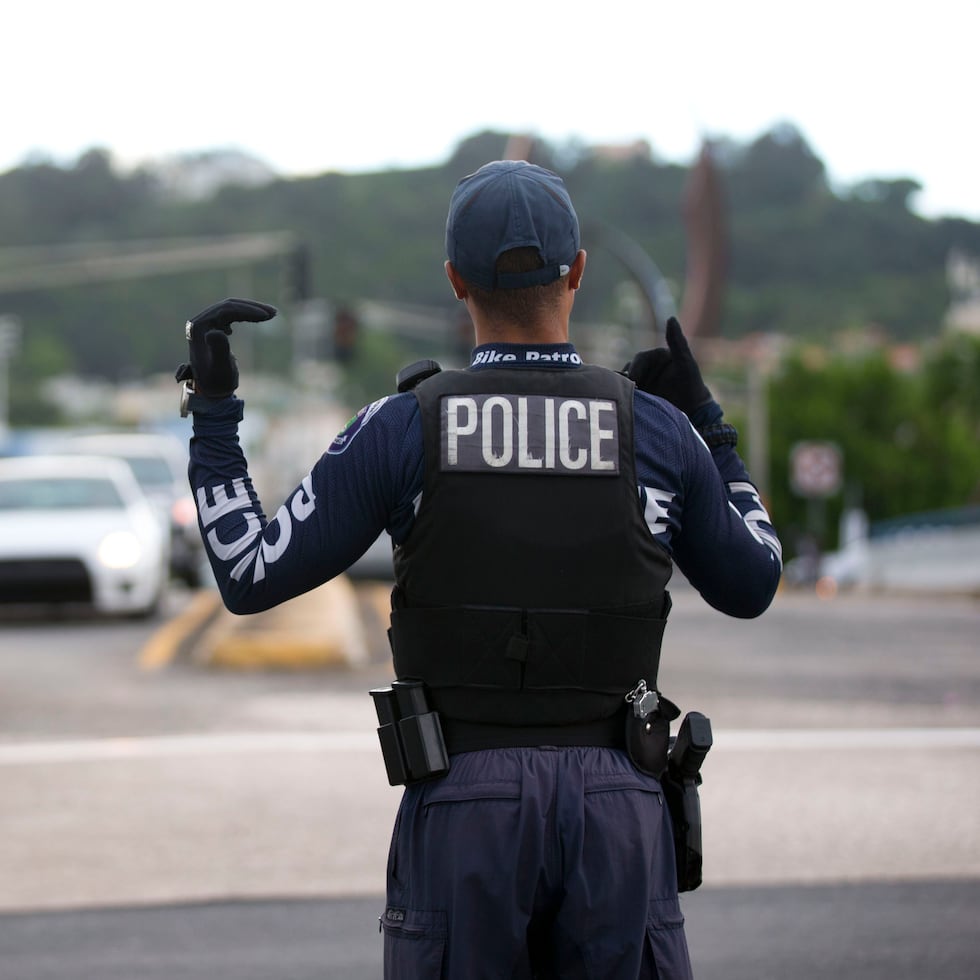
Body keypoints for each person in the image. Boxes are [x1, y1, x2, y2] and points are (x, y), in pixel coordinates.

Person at [176, 159, 782, 979]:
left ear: (457, 281)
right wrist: (709, 425)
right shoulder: (657, 433)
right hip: (618, 805)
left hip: (464, 805)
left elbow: (248, 571)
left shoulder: (402, 429)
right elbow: (754, 580)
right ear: (578, 273)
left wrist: (214, 414)